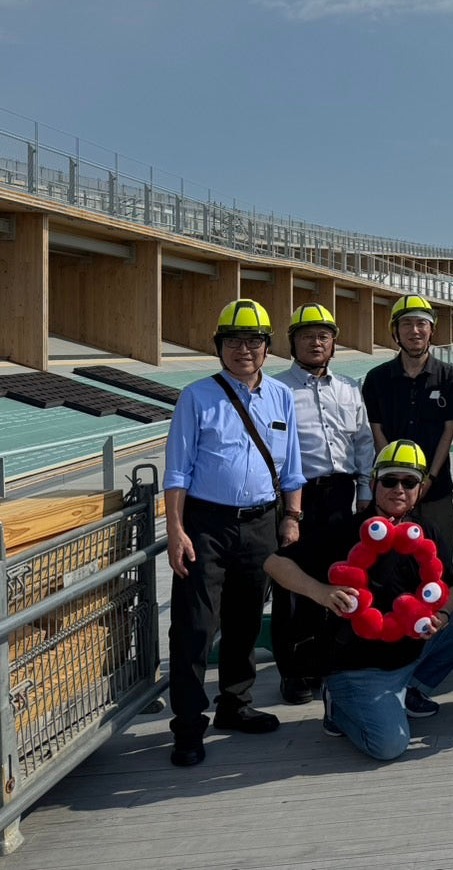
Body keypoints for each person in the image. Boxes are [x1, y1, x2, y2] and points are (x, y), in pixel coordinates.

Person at [263, 441, 453, 761]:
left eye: (409, 482)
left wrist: (440, 614)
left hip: (410, 649)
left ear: (419, 489)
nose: (399, 489)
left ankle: (412, 688)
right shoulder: (345, 530)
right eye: (389, 481)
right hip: (359, 665)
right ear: (373, 484)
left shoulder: (427, 529)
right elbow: (275, 564)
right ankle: (338, 707)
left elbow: (449, 585)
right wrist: (322, 592)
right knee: (389, 746)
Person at [163, 299, 306, 767]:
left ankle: (235, 705)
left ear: (267, 348)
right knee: (196, 627)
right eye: (234, 341)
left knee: (245, 621)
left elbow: (293, 469)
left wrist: (291, 516)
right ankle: (187, 725)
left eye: (254, 341)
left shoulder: (281, 397)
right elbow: (178, 472)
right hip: (207, 526)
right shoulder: (197, 396)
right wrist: (177, 530)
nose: (244, 349)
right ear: (219, 347)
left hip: (263, 523)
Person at [273, 302, 376, 705]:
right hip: (298, 498)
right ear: (292, 343)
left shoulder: (349, 387)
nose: (316, 343)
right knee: (293, 585)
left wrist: (365, 491)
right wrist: (289, 511)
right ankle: (294, 671)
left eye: (323, 336)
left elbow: (363, 441)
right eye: (307, 336)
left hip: (341, 494)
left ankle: (327, 660)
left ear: (334, 343)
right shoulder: (278, 389)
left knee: (338, 577)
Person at [361, 295, 453, 551]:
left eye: (422, 323)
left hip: (435, 489)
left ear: (431, 330)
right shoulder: (377, 379)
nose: (415, 330)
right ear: (395, 331)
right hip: (391, 491)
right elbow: (377, 433)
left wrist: (427, 479)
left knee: (439, 562)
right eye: (407, 323)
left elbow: (447, 433)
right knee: (389, 563)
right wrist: (399, 478)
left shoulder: (449, 377)